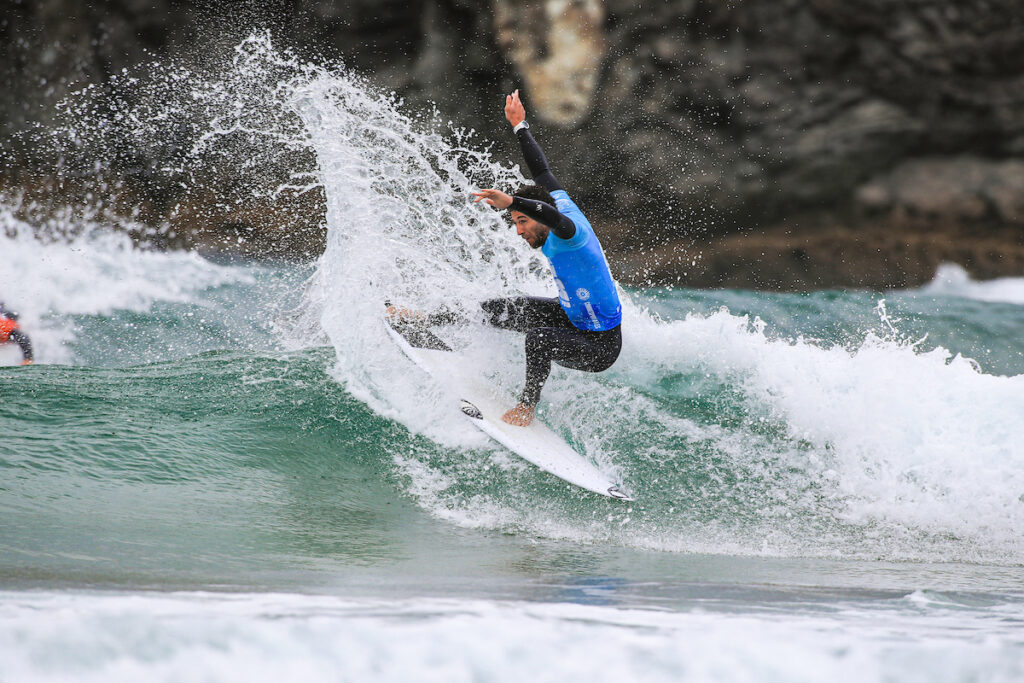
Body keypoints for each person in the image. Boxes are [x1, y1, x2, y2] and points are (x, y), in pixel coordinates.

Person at [468, 89, 623, 426]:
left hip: (599, 345)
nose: (519, 231)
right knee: (496, 308)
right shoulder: (556, 201)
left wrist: (511, 202)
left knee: (538, 338)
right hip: (570, 317)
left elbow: (550, 217)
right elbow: (542, 170)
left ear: (540, 216)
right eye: (515, 223)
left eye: (522, 222)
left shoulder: (569, 232)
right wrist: (519, 125)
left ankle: (526, 408)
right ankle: (424, 324)